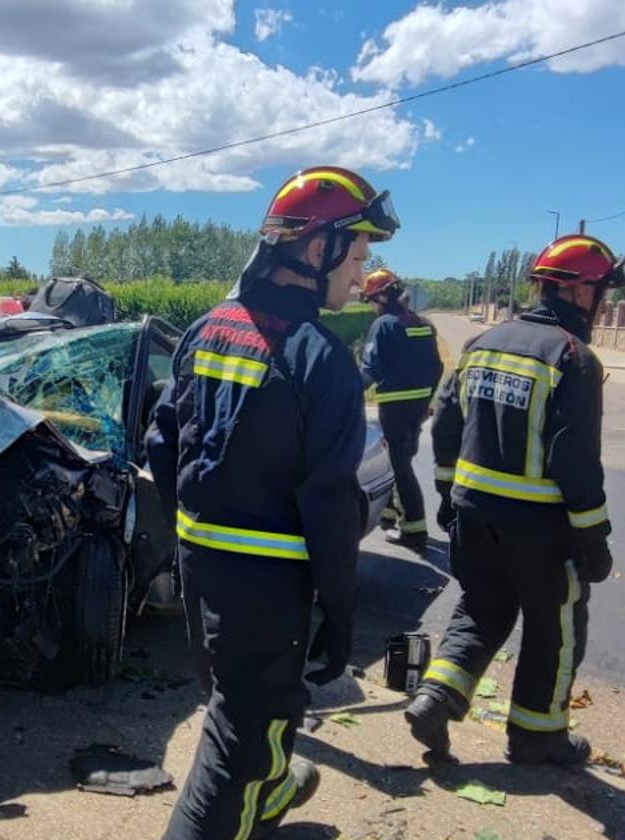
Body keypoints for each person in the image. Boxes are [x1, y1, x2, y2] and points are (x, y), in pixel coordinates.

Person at [147, 165, 399, 839]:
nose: (362, 272)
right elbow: (332, 506)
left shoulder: (206, 329)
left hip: (204, 574)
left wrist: (193, 533)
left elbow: (161, 445)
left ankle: (266, 807)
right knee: (240, 741)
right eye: (359, 253)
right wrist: (339, 610)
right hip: (268, 590)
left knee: (246, 717)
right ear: (317, 249)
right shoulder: (321, 359)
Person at [408, 234, 625, 765]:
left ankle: (435, 696)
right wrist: (594, 539)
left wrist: (446, 493)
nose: (604, 303)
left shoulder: (481, 344)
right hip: (542, 529)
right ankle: (538, 735)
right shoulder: (574, 357)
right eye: (601, 290)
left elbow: (445, 425)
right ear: (577, 291)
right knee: (555, 627)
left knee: (482, 608)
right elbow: (575, 464)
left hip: (474, 516)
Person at [359, 268, 443, 551]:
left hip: (394, 407)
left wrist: (343, 392)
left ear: (381, 297)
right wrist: (426, 401)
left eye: (371, 299)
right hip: (418, 408)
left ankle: (414, 530)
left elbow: (370, 368)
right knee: (401, 460)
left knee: (400, 467)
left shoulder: (383, 325)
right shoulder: (423, 323)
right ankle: (389, 513)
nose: (371, 306)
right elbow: (438, 367)